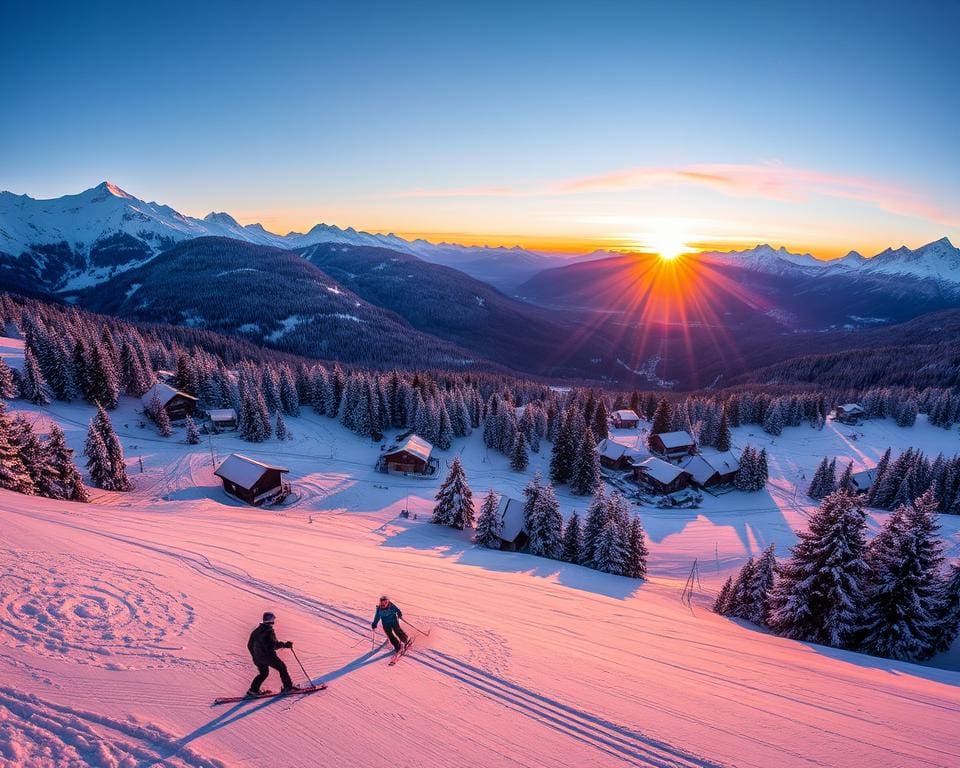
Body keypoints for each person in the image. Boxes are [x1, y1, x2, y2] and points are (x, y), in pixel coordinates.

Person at [247, 612, 298, 696]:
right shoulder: (268, 631)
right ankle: (288, 687)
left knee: (264, 673)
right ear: (271, 620)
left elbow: (249, 645)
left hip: (258, 658)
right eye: (273, 619)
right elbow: (272, 645)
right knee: (282, 668)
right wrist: (285, 645)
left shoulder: (256, 630)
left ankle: (253, 690)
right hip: (268, 657)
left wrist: (255, 655)